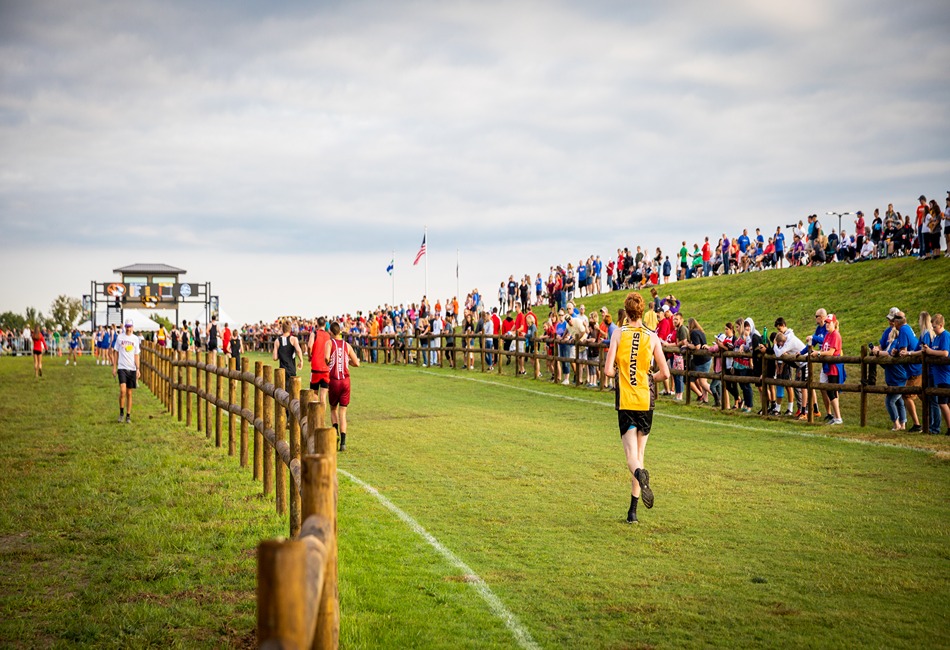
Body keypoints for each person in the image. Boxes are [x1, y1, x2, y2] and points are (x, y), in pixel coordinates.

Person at [604, 292, 670, 524]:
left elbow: (608, 371)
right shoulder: (652, 336)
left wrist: (623, 372)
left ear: (626, 311)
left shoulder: (618, 334)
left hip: (626, 401)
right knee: (640, 454)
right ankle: (632, 512)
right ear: (642, 311)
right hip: (646, 400)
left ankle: (640, 476)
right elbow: (666, 373)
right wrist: (648, 377)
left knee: (632, 457)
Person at [325, 321, 360, 451]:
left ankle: (335, 435)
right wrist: (347, 362)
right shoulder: (347, 345)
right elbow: (357, 363)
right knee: (343, 412)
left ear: (330, 333)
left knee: (333, 409)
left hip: (334, 380)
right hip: (346, 381)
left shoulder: (329, 343)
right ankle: (343, 443)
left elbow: (326, 358)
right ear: (339, 331)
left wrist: (329, 362)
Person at [921, 313, 950, 434]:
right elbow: (932, 350)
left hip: (945, 374)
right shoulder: (936, 337)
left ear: (941, 325)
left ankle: (949, 428)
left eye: (934, 327)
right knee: (944, 402)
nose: (933, 329)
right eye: (932, 327)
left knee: (943, 402)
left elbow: (945, 353)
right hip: (938, 375)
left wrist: (931, 351)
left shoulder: (945, 336)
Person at [112, 319, 141, 423]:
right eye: (127, 326)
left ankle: (128, 415)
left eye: (130, 326)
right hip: (122, 367)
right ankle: (121, 413)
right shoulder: (120, 338)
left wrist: (138, 369)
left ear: (132, 327)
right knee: (122, 390)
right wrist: (114, 367)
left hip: (132, 368)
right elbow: (115, 352)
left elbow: (136, 354)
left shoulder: (135, 339)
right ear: (125, 327)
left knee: (129, 393)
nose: (128, 328)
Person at [818, 314, 843, 425]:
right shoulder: (828, 335)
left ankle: (838, 417)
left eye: (829, 322)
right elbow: (824, 348)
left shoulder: (836, 335)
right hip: (828, 367)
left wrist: (818, 353)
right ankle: (836, 416)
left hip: (834, 367)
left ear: (834, 323)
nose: (827, 324)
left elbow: (831, 352)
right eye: (827, 322)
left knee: (831, 391)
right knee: (830, 391)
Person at [308, 317, 332, 405]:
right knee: (323, 396)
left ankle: (316, 416)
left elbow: (310, 346)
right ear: (325, 325)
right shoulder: (329, 335)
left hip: (316, 367)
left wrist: (310, 355)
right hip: (326, 368)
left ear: (317, 324)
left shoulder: (314, 333)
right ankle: (321, 417)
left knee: (314, 394)